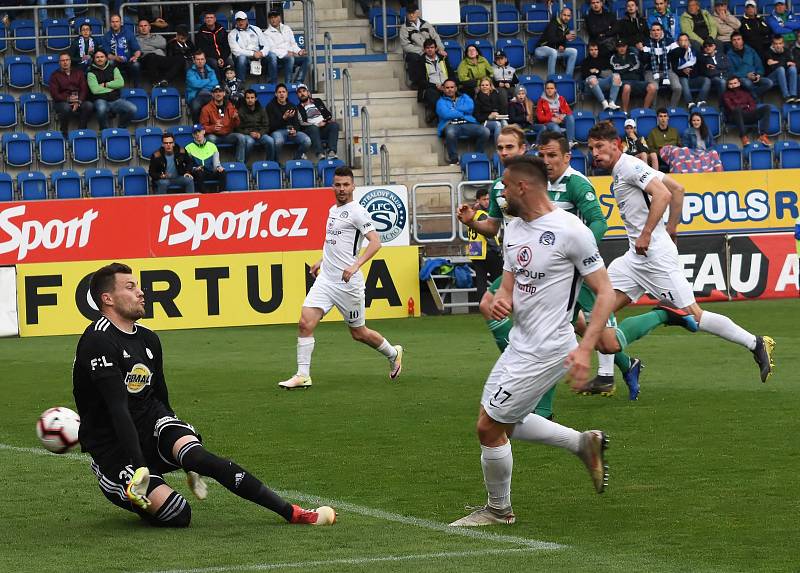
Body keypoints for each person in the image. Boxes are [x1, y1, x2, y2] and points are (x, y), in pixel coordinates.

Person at [73, 262, 336, 528]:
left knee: (198, 456)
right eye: (130, 287)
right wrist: (140, 468)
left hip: (150, 423)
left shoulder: (148, 339)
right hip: (114, 447)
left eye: (138, 286)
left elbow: (160, 399)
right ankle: (130, 484)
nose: (141, 292)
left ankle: (293, 513)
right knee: (178, 514)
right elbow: (118, 408)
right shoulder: (98, 340)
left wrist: (187, 461)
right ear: (107, 299)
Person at [448, 155, 614, 527]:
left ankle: (498, 511)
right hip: (520, 343)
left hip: (548, 348)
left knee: (488, 428)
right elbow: (508, 286)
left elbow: (604, 292)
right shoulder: (515, 229)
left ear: (523, 186)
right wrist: (497, 301)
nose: (500, 192)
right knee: (506, 421)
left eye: (505, 186)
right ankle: (582, 443)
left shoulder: (571, 231)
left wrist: (585, 348)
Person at [458, 126, 664, 408]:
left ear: (523, 150)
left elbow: (598, 223)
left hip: (569, 272)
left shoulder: (573, 183)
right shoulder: (501, 187)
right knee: (492, 305)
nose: (504, 153)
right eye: (500, 148)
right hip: (525, 267)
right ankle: (528, 387)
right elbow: (494, 227)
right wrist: (472, 222)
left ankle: (661, 319)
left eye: (510, 148)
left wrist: (573, 256)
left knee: (607, 342)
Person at [587, 120, 774, 382]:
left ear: (616, 145)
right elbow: (678, 189)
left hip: (655, 256)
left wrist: (648, 234)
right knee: (601, 308)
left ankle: (756, 343)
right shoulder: (623, 169)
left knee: (694, 316)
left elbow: (662, 195)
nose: (594, 153)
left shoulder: (629, 166)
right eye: (591, 148)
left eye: (599, 146)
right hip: (635, 258)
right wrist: (672, 229)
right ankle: (606, 375)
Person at [278, 166, 404, 389]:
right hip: (326, 280)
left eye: (346, 185)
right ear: (332, 186)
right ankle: (302, 375)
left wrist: (356, 265)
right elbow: (334, 243)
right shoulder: (332, 210)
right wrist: (321, 260)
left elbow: (376, 243)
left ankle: (393, 353)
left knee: (359, 333)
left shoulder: (357, 212)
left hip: (348, 284)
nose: (342, 189)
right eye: (338, 185)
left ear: (353, 186)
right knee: (305, 323)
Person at [436, 79, 491, 165]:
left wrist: (453, 110)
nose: (450, 89)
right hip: (451, 125)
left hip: (467, 123)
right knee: (450, 132)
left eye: (452, 87)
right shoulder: (440, 101)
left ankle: (478, 155)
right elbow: (446, 114)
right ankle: (454, 159)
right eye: (447, 88)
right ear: (443, 89)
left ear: (456, 88)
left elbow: (470, 108)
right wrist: (462, 112)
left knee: (485, 131)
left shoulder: (465, 97)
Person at [466, 188, 503, 303]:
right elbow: (489, 234)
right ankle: (499, 302)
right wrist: (497, 249)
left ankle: (482, 305)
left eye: (488, 199)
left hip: (475, 251)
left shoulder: (471, 214)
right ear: (478, 200)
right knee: (499, 279)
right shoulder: (483, 215)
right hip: (488, 251)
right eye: (484, 199)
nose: (487, 202)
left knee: (481, 281)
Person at [87, 49, 138, 131]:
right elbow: (95, 90)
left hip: (115, 100)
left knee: (133, 109)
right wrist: (111, 88)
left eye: (102, 57)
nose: (99, 59)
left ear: (106, 58)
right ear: (94, 59)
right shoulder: (90, 72)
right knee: (101, 109)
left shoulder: (114, 69)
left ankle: (121, 129)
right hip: (100, 100)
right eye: (97, 57)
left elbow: (120, 83)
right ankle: (105, 131)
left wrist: (105, 85)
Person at [399, 4, 446, 89]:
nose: (411, 15)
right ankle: (416, 82)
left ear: (418, 13)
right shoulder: (404, 28)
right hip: (417, 52)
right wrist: (422, 51)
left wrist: (440, 49)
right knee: (413, 57)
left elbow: (436, 37)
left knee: (443, 55)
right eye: (409, 13)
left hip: (430, 50)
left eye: (413, 13)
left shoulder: (426, 24)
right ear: (406, 14)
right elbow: (405, 46)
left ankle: (445, 80)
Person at [199, 85, 248, 164]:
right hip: (214, 135)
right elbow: (202, 127)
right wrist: (213, 128)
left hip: (227, 135)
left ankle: (240, 164)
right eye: (216, 92)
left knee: (241, 137)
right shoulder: (206, 108)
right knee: (211, 139)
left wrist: (236, 118)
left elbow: (237, 125)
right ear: (212, 94)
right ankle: (213, 165)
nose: (218, 94)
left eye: (220, 92)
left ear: (224, 93)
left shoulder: (229, 106)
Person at [50, 53, 94, 137]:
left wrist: (79, 101)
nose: (65, 62)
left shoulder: (79, 73)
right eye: (62, 60)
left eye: (67, 60)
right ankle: (64, 132)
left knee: (89, 105)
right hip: (61, 101)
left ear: (70, 61)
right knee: (66, 108)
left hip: (78, 99)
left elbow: (84, 89)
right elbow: (54, 94)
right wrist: (68, 99)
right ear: (59, 63)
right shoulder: (54, 75)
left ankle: (81, 131)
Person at [640, 23, 682, 108]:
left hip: (667, 70)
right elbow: (644, 60)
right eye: (653, 30)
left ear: (662, 31)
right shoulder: (646, 42)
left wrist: (680, 47)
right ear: (650, 32)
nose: (656, 32)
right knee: (654, 88)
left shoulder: (669, 41)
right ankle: (654, 110)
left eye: (658, 30)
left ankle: (672, 109)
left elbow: (677, 53)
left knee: (678, 88)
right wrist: (642, 51)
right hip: (651, 71)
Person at [721, 75, 772, 145]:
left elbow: (753, 105)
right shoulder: (726, 95)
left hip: (748, 115)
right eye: (731, 84)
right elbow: (731, 108)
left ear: (739, 83)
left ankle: (763, 136)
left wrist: (743, 107)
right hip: (735, 117)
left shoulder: (745, 93)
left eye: (735, 83)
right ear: (728, 85)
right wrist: (745, 106)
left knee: (767, 107)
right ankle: (743, 136)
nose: (733, 85)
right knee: (737, 110)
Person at [266, 83, 312, 160]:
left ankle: (296, 159)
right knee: (278, 141)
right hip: (277, 132)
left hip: (291, 131)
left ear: (287, 94)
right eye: (279, 92)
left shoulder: (292, 106)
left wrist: (295, 130)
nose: (281, 94)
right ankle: (275, 162)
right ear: (276, 94)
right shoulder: (270, 106)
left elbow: (297, 123)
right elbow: (271, 127)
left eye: (283, 92)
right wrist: (284, 118)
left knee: (307, 141)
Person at [136, 18, 185, 88]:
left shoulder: (157, 36)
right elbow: (141, 48)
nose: (143, 28)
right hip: (146, 59)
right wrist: (155, 46)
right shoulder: (136, 39)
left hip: (161, 58)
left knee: (180, 58)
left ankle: (165, 80)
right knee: (151, 56)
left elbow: (163, 44)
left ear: (149, 27)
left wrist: (146, 43)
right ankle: (155, 83)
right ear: (138, 28)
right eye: (141, 26)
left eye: (145, 25)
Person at [263, 9, 308, 84]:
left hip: (290, 55)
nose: (273, 19)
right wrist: (287, 53)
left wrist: (299, 51)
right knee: (290, 58)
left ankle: (298, 82)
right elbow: (272, 49)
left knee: (307, 59)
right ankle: (288, 84)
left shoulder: (287, 28)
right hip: (278, 58)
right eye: (271, 18)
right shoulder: (266, 33)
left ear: (279, 18)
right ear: (269, 20)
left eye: (275, 17)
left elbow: (293, 44)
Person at [611, 39, 657, 112]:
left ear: (626, 47)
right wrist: (629, 66)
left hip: (636, 80)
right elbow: (617, 70)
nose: (622, 48)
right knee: (627, 87)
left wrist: (625, 68)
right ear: (616, 48)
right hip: (624, 81)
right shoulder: (613, 57)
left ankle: (645, 111)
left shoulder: (632, 55)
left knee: (652, 87)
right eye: (619, 47)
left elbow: (637, 66)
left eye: (623, 46)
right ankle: (625, 112)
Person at [296, 84, 340, 160]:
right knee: (313, 128)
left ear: (308, 93)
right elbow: (301, 123)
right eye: (299, 92)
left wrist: (327, 120)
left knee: (334, 125)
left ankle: (332, 152)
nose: (302, 93)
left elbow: (327, 114)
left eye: (304, 91)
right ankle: (320, 153)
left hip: (323, 126)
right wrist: (316, 125)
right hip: (310, 129)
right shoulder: (297, 108)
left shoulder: (317, 101)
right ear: (297, 95)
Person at [534, 6, 578, 78]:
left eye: (568, 16)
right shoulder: (554, 23)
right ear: (560, 15)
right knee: (553, 52)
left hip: (554, 50)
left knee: (574, 51)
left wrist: (563, 46)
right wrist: (565, 37)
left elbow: (562, 41)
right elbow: (551, 39)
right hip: (541, 49)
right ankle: (551, 78)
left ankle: (568, 77)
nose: (566, 17)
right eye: (564, 15)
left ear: (570, 17)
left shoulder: (566, 27)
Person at [418, 38, 454, 125]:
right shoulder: (420, 61)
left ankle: (436, 115)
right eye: (427, 48)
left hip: (446, 85)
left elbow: (451, 74)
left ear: (436, 48)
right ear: (424, 49)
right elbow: (421, 81)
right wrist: (436, 86)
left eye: (432, 47)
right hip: (432, 87)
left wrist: (447, 85)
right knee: (432, 94)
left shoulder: (443, 59)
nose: (430, 49)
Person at [669, 33, 711, 108]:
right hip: (681, 79)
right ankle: (690, 103)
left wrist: (707, 64)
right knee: (684, 80)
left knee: (707, 80)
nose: (683, 43)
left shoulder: (694, 51)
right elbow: (674, 69)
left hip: (693, 78)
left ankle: (700, 101)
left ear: (689, 41)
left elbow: (702, 59)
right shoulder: (674, 53)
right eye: (681, 41)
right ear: (678, 42)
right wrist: (683, 71)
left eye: (685, 40)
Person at [728, 31, 774, 97]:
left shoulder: (750, 50)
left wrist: (758, 74)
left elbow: (759, 65)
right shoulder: (729, 55)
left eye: (739, 39)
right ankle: (755, 99)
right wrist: (746, 75)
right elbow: (731, 72)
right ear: (731, 42)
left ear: (742, 40)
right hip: (741, 78)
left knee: (769, 83)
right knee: (747, 83)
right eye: (734, 40)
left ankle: (751, 97)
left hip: (755, 76)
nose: (736, 42)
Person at [237, 88, 276, 162]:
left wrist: (259, 134)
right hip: (248, 135)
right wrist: (249, 133)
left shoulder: (262, 109)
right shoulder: (241, 111)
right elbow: (238, 128)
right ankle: (244, 164)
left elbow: (266, 125)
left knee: (270, 141)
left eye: (252, 97)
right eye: (248, 98)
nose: (250, 100)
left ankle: (270, 163)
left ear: (256, 99)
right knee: (249, 143)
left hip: (260, 134)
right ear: (245, 99)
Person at [104, 14, 142, 87]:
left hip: (128, 60)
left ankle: (137, 87)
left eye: (117, 21)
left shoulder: (129, 33)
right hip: (115, 61)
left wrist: (135, 57)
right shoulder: (107, 36)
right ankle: (112, 87)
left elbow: (137, 50)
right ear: (110, 23)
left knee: (136, 64)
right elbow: (106, 54)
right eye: (113, 22)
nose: (115, 24)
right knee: (110, 63)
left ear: (120, 22)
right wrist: (115, 58)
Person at [185, 125, 227, 193]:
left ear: (204, 132)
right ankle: (204, 194)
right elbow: (189, 164)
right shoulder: (188, 148)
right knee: (199, 173)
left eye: (199, 131)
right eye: (195, 133)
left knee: (222, 172)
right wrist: (195, 168)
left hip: (210, 171)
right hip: (198, 173)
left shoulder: (212, 146)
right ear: (193, 135)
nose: (198, 134)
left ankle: (221, 193)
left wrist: (218, 167)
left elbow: (216, 162)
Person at [228, 11, 268, 81]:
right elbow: (236, 51)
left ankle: (272, 83)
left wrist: (262, 53)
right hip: (245, 56)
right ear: (236, 22)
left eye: (242, 20)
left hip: (259, 54)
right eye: (238, 20)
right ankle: (240, 84)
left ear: (246, 20)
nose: (240, 22)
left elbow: (266, 44)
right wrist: (252, 53)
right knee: (242, 58)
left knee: (272, 56)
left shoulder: (256, 29)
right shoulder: (232, 34)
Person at [582, 41, 621, 111]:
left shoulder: (604, 59)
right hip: (590, 85)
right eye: (591, 50)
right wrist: (597, 74)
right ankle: (604, 103)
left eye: (595, 49)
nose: (594, 51)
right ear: (588, 51)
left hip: (602, 82)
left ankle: (612, 103)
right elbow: (584, 75)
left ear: (598, 50)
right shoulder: (585, 61)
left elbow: (610, 72)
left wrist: (597, 71)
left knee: (616, 76)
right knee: (592, 78)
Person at [536, 80, 576, 145]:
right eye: (547, 88)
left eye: (552, 88)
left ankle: (570, 142)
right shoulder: (541, 101)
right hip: (549, 123)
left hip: (560, 120)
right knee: (555, 128)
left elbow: (569, 111)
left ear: (555, 89)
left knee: (570, 117)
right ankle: (559, 146)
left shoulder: (561, 99)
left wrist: (563, 115)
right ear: (545, 90)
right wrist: (551, 119)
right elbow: (540, 118)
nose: (549, 90)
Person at [765, 34, 799, 103]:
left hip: (783, 76)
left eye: (780, 43)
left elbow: (792, 63)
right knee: (780, 69)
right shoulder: (768, 52)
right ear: (773, 44)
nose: (778, 46)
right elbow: (773, 67)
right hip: (771, 77)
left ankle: (793, 95)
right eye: (776, 44)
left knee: (792, 69)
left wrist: (778, 63)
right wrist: (785, 64)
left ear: (783, 44)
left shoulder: (786, 51)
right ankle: (786, 96)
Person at [187, 52, 219, 123]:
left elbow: (215, 83)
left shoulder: (211, 70)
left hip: (210, 95)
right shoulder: (190, 72)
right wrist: (208, 80)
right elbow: (195, 84)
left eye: (202, 59)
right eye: (198, 59)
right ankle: (197, 128)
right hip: (196, 96)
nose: (200, 61)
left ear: (205, 60)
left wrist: (201, 85)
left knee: (219, 103)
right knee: (195, 107)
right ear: (194, 61)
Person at [474, 78, 508, 145]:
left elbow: (501, 108)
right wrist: (488, 116)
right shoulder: (477, 98)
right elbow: (477, 116)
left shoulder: (495, 95)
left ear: (490, 86)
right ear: (480, 87)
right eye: (482, 85)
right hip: (484, 121)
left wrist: (499, 114)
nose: (484, 87)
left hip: (497, 118)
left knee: (505, 123)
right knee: (498, 125)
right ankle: (498, 149)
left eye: (487, 85)